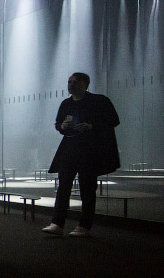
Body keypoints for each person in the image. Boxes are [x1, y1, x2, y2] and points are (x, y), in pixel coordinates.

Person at [42, 72, 120, 238]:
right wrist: (62, 126)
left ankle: (83, 225)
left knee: (87, 188)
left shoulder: (99, 101)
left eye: (75, 82)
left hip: (90, 150)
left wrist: (91, 126)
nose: (70, 85)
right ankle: (57, 223)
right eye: (69, 82)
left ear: (85, 84)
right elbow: (58, 125)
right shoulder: (66, 103)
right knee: (63, 186)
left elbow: (113, 120)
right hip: (70, 148)